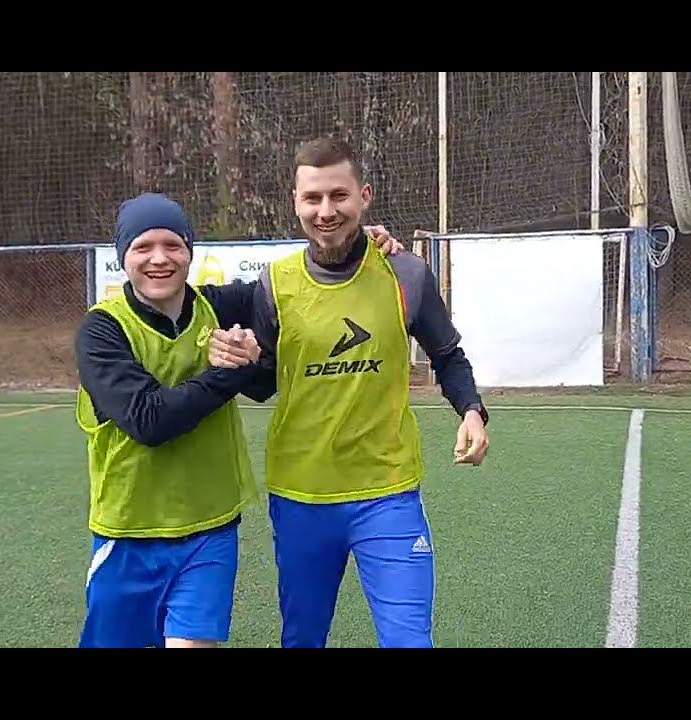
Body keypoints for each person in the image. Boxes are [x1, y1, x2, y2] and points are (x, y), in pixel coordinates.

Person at [75, 191, 403, 648]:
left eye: (172, 245)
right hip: (129, 531)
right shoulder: (102, 329)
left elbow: (298, 284)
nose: (159, 259)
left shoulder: (221, 306)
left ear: (190, 251)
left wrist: (351, 243)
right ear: (122, 257)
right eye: (142, 247)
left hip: (210, 528)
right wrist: (232, 373)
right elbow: (149, 421)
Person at [210, 137, 490, 648]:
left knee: (410, 640)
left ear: (364, 196)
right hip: (301, 496)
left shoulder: (405, 273)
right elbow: (267, 382)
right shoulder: (275, 284)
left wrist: (471, 411)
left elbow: (448, 354)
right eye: (312, 198)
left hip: (388, 493)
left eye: (338, 195)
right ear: (295, 202)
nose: (326, 211)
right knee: (303, 639)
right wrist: (242, 362)